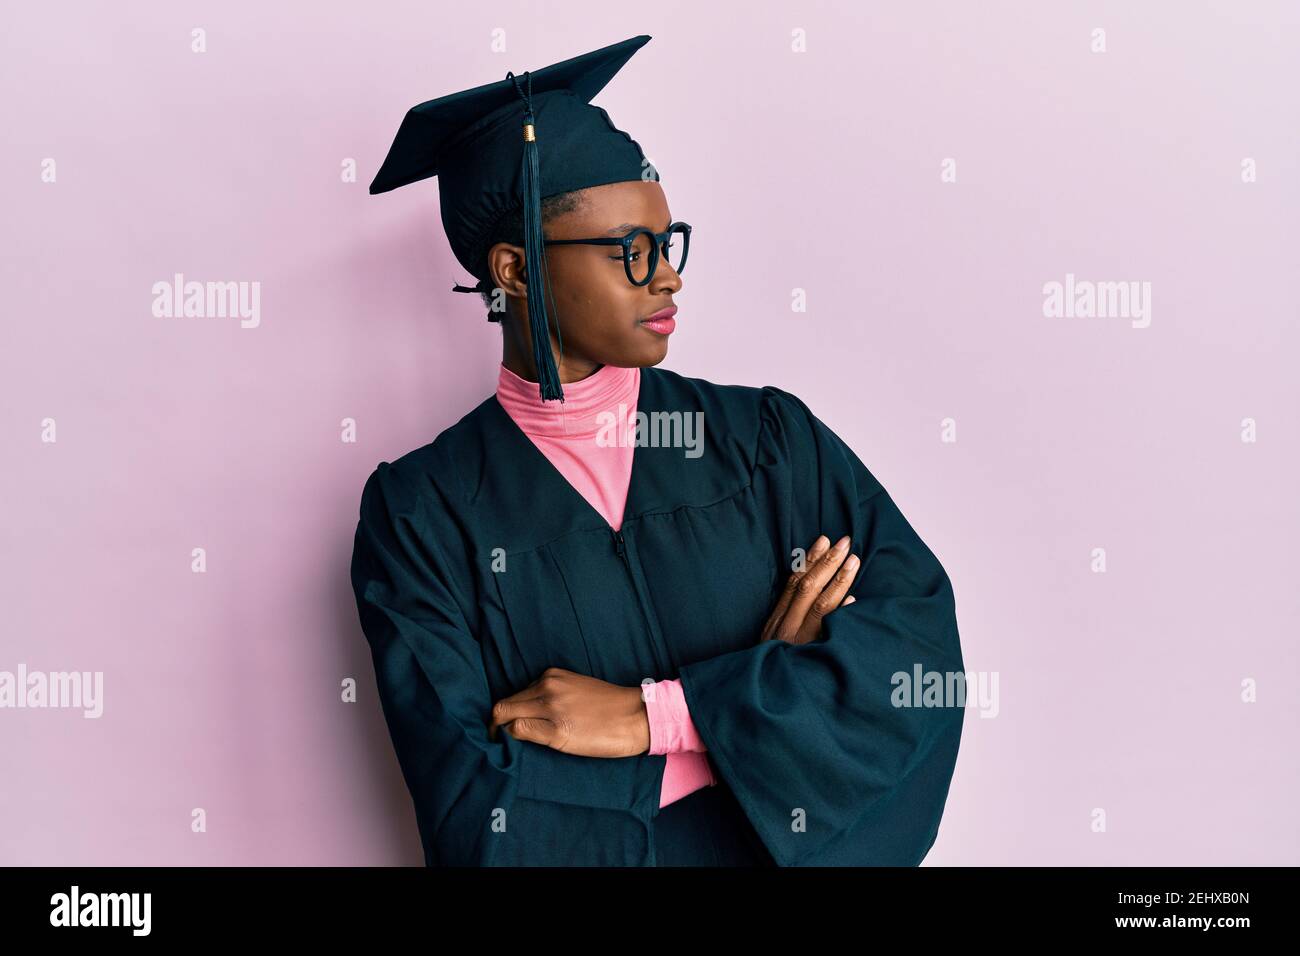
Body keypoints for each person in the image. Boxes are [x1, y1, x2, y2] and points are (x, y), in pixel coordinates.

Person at [350, 35, 965, 866]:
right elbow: (473, 811)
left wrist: (656, 718)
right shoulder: (422, 516)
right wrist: (767, 713)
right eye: (628, 251)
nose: (667, 278)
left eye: (667, 243)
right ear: (517, 269)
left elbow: (915, 669)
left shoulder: (770, 445)